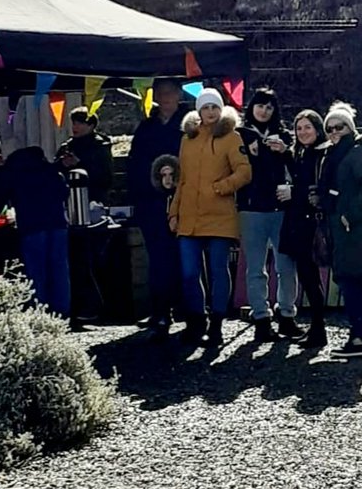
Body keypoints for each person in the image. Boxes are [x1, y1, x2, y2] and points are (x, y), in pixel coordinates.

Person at [168, 88, 251, 348]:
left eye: (215, 107)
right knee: (190, 273)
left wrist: (220, 188)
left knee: (218, 271)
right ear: (198, 111)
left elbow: (245, 171)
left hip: (219, 216)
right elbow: (182, 181)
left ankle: (216, 325)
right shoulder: (187, 139)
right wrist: (173, 212)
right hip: (189, 217)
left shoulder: (231, 136)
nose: (211, 112)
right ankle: (196, 322)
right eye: (206, 108)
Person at [318, 102, 362, 359]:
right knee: (358, 282)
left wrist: (350, 215)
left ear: (350, 127)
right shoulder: (340, 154)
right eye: (329, 128)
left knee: (353, 282)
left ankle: (360, 336)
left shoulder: (355, 154)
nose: (334, 132)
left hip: (355, 229)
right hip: (347, 227)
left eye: (339, 127)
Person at [128, 78, 189, 340]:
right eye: (161, 93)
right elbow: (134, 163)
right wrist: (156, 178)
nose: (165, 98)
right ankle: (160, 310)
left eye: (170, 93)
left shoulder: (189, 125)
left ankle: (189, 308)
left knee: (185, 257)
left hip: (185, 202)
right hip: (152, 203)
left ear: (178, 95)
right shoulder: (146, 127)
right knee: (158, 258)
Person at [238, 87, 299, 342]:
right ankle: (261, 317)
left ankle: (287, 315)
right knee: (256, 267)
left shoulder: (284, 136)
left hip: (280, 208)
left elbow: (297, 168)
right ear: (252, 107)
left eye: (270, 107)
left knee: (286, 266)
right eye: (260, 105)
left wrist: (285, 151)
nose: (264, 111)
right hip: (251, 208)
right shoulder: (239, 134)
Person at [0, 146, 71, 317]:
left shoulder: (14, 175)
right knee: (59, 268)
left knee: (36, 270)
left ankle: (40, 310)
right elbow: (64, 193)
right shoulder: (52, 172)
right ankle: (61, 311)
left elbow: (0, 198)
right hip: (57, 224)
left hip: (32, 226)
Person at [280, 109, 329, 349]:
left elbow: (313, 187)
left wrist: (294, 192)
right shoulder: (303, 153)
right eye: (299, 128)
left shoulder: (319, 155)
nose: (303, 132)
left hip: (309, 224)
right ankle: (316, 327)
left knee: (310, 277)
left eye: (307, 127)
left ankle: (319, 329)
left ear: (317, 129)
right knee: (307, 276)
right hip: (298, 222)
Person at [56, 107, 113, 204]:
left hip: (94, 197)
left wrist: (80, 163)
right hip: (69, 196)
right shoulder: (67, 146)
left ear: (90, 126)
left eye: (80, 123)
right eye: (74, 123)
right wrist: (62, 163)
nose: (75, 127)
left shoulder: (100, 146)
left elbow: (105, 176)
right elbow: (55, 172)